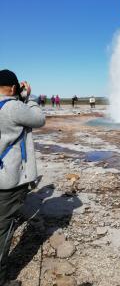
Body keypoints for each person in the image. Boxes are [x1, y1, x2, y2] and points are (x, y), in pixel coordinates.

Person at [0, 69, 46, 286]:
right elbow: (38, 119)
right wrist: (32, 98)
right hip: (8, 178)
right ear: (13, 88)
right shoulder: (14, 107)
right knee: (4, 227)